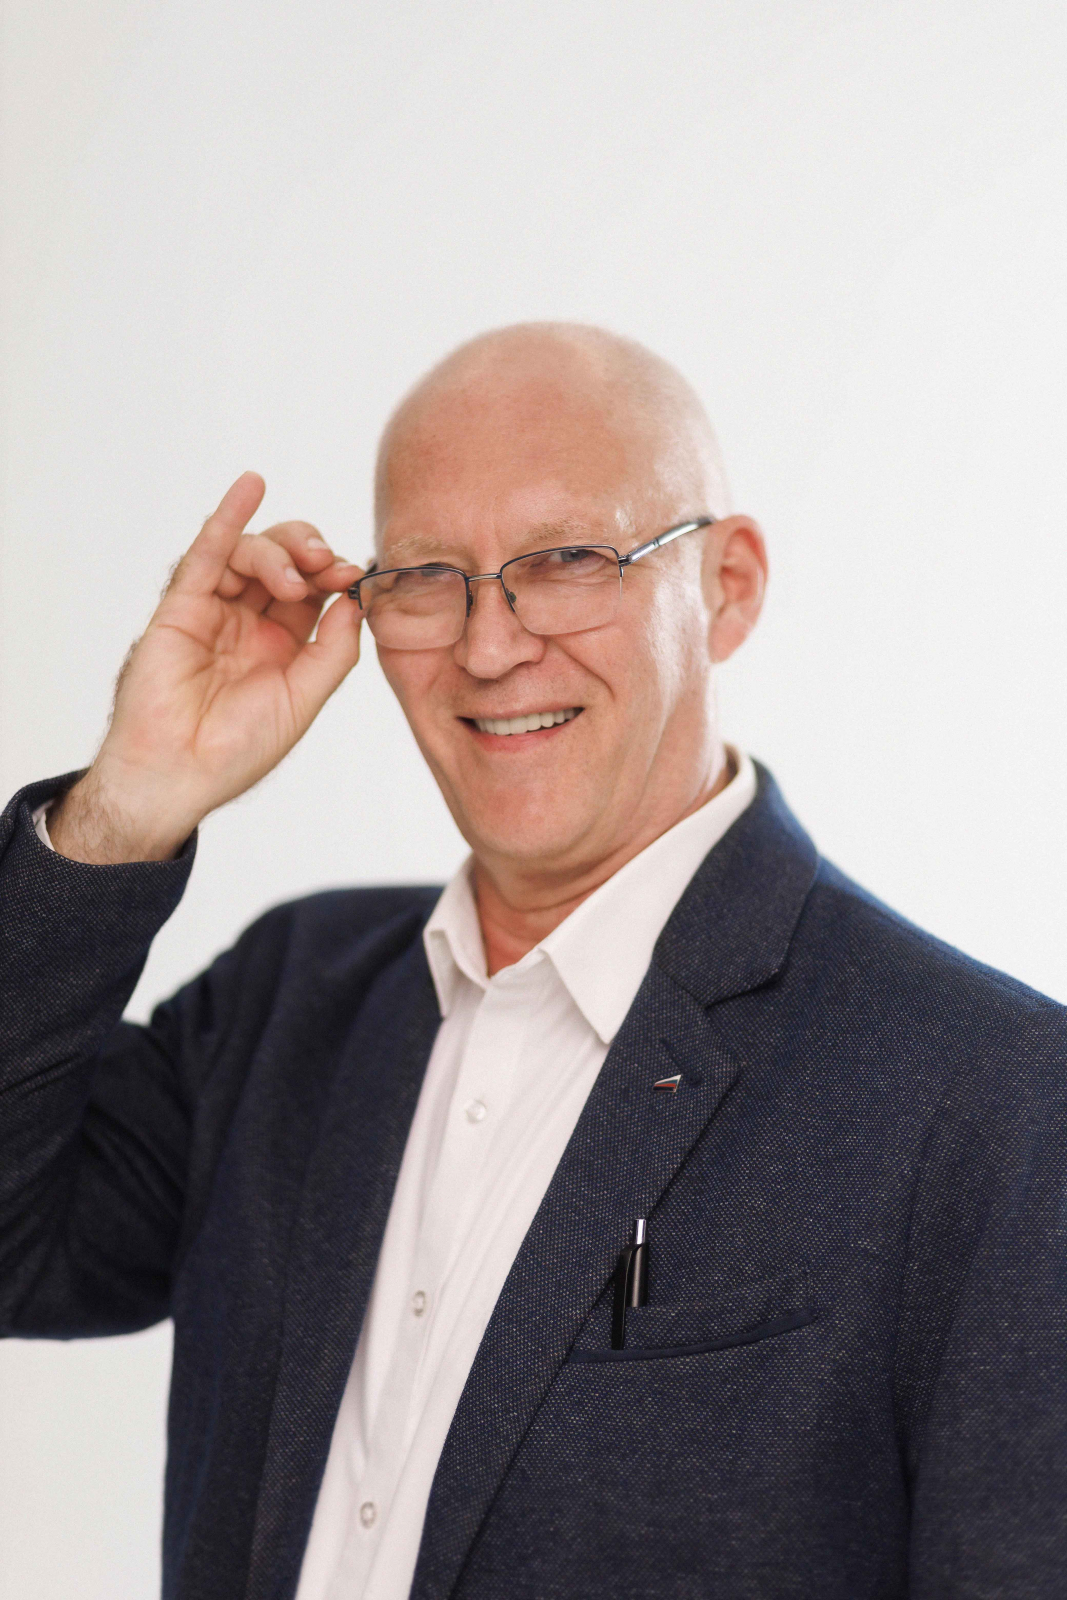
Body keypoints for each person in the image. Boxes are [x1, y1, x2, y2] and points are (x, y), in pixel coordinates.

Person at [1, 323, 1064, 1600]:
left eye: (566, 560)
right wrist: (122, 812)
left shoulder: (991, 1098)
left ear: (726, 586)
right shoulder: (289, 996)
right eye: (424, 576)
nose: (488, 647)